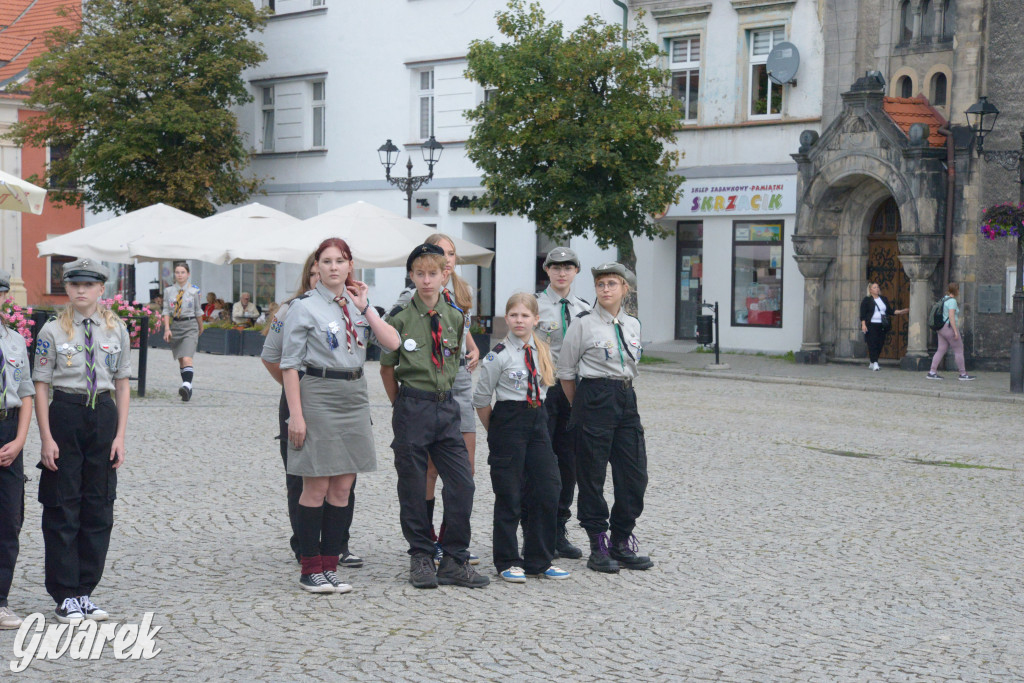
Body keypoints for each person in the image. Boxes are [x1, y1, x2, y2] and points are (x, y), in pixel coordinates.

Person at [280, 238, 400, 593]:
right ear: (318, 266)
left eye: (340, 261)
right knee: (316, 484)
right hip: (318, 393)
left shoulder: (356, 305)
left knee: (343, 486)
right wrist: (296, 416)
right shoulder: (303, 308)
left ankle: (331, 565)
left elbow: (392, 344)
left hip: (355, 395)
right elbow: (288, 366)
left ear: (351, 266)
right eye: (327, 261)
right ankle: (309, 567)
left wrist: (366, 308)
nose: (334, 267)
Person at [380, 243, 489, 589]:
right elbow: (387, 369)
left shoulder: (455, 316)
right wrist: (403, 404)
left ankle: (454, 559)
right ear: (411, 276)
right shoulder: (398, 318)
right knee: (413, 486)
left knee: (462, 484)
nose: (426, 281)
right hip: (413, 406)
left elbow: (455, 360)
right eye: (420, 274)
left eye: (433, 274)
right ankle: (421, 555)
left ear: (446, 275)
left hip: (447, 407)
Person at [33, 258, 131, 623]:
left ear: (101, 289)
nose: (81, 291)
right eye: (75, 285)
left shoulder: (115, 329)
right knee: (62, 504)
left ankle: (85, 590)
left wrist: (120, 435)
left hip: (103, 415)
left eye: (88, 285)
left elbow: (122, 383)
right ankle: (64, 593)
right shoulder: (52, 331)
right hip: (66, 414)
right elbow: (41, 385)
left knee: (99, 503)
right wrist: (45, 437)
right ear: (67, 288)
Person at [556, 262, 653, 574]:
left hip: (626, 398)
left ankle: (621, 540)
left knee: (635, 474)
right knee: (592, 476)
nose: (606, 289)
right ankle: (598, 542)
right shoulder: (582, 324)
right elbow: (566, 371)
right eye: (601, 284)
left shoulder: (633, 324)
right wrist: (580, 407)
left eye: (613, 283)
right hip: (594, 397)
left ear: (625, 288)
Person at [474, 293, 569, 583]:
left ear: (535, 319)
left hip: (538, 421)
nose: (519, 320)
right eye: (513, 315)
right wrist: (498, 433)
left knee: (547, 489)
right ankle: (507, 560)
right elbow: (481, 400)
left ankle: (539, 558)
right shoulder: (498, 355)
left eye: (525, 316)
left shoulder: (542, 350)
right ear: (507, 318)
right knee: (510, 494)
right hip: (508, 421)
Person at [527, 246, 590, 560]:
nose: (562, 272)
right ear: (547, 271)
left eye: (568, 267)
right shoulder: (533, 306)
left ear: (576, 271)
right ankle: (538, 530)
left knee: (569, 463)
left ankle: (559, 528)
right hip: (543, 392)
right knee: (541, 461)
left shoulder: (583, 308)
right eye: (556, 267)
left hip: (572, 392)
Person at [424, 233, 480, 565]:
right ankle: (426, 537)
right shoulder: (417, 293)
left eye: (452, 253)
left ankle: (451, 537)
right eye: (442, 252)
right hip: (433, 380)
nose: (448, 258)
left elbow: (462, 325)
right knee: (431, 467)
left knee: (466, 468)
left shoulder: (462, 290)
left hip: (461, 378)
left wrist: (472, 346)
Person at [0, 270, 35, 630]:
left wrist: (21, 439)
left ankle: (0, 601)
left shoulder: (14, 341)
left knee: (9, 519)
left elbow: (25, 391)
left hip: (9, 429)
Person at [162, 262, 203, 401]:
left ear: (188, 274)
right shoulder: (169, 291)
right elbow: (166, 311)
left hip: (190, 325)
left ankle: (185, 385)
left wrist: (201, 326)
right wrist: (167, 328)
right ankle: (188, 389)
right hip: (176, 327)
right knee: (181, 360)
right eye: (177, 272)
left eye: (183, 272)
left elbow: (198, 311)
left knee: (187, 358)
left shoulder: (194, 291)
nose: (180, 275)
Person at [927, 282, 976, 381]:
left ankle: (932, 372)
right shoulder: (952, 301)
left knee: (941, 349)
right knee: (958, 350)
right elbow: (951, 317)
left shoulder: (944, 299)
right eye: (958, 290)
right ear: (956, 290)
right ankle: (963, 374)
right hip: (949, 328)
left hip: (941, 328)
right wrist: (955, 331)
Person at [859, 282, 907, 371]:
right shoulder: (867, 300)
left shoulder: (883, 299)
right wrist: (863, 324)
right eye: (874, 287)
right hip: (871, 324)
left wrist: (900, 311)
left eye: (877, 287)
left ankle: (872, 362)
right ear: (870, 290)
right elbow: (863, 314)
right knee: (872, 343)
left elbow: (889, 311)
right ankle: (875, 363)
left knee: (880, 343)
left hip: (882, 324)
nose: (877, 289)